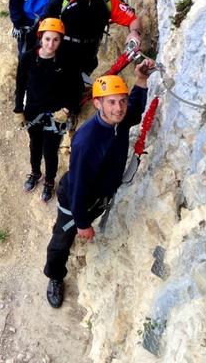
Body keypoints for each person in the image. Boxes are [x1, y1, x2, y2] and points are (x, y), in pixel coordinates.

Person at [43, 60, 156, 308]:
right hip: (76, 199)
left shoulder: (119, 120)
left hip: (98, 195)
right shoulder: (87, 141)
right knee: (62, 239)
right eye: (112, 102)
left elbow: (135, 110)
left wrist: (141, 80)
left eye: (122, 101)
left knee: (72, 229)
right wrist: (82, 223)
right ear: (98, 104)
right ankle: (54, 276)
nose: (119, 108)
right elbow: (79, 187)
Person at [13, 18, 82, 202]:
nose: (51, 44)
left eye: (56, 40)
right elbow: (20, 85)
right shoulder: (27, 58)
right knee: (35, 145)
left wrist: (67, 110)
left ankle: (49, 181)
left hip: (55, 114)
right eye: (47, 39)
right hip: (33, 111)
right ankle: (35, 172)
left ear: (61, 40)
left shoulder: (66, 60)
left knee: (50, 150)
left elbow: (76, 88)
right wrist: (18, 110)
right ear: (40, 38)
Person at [43, 0, 143, 77]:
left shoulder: (107, 0)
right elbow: (44, 24)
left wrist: (134, 32)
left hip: (87, 58)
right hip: (61, 54)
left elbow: (133, 19)